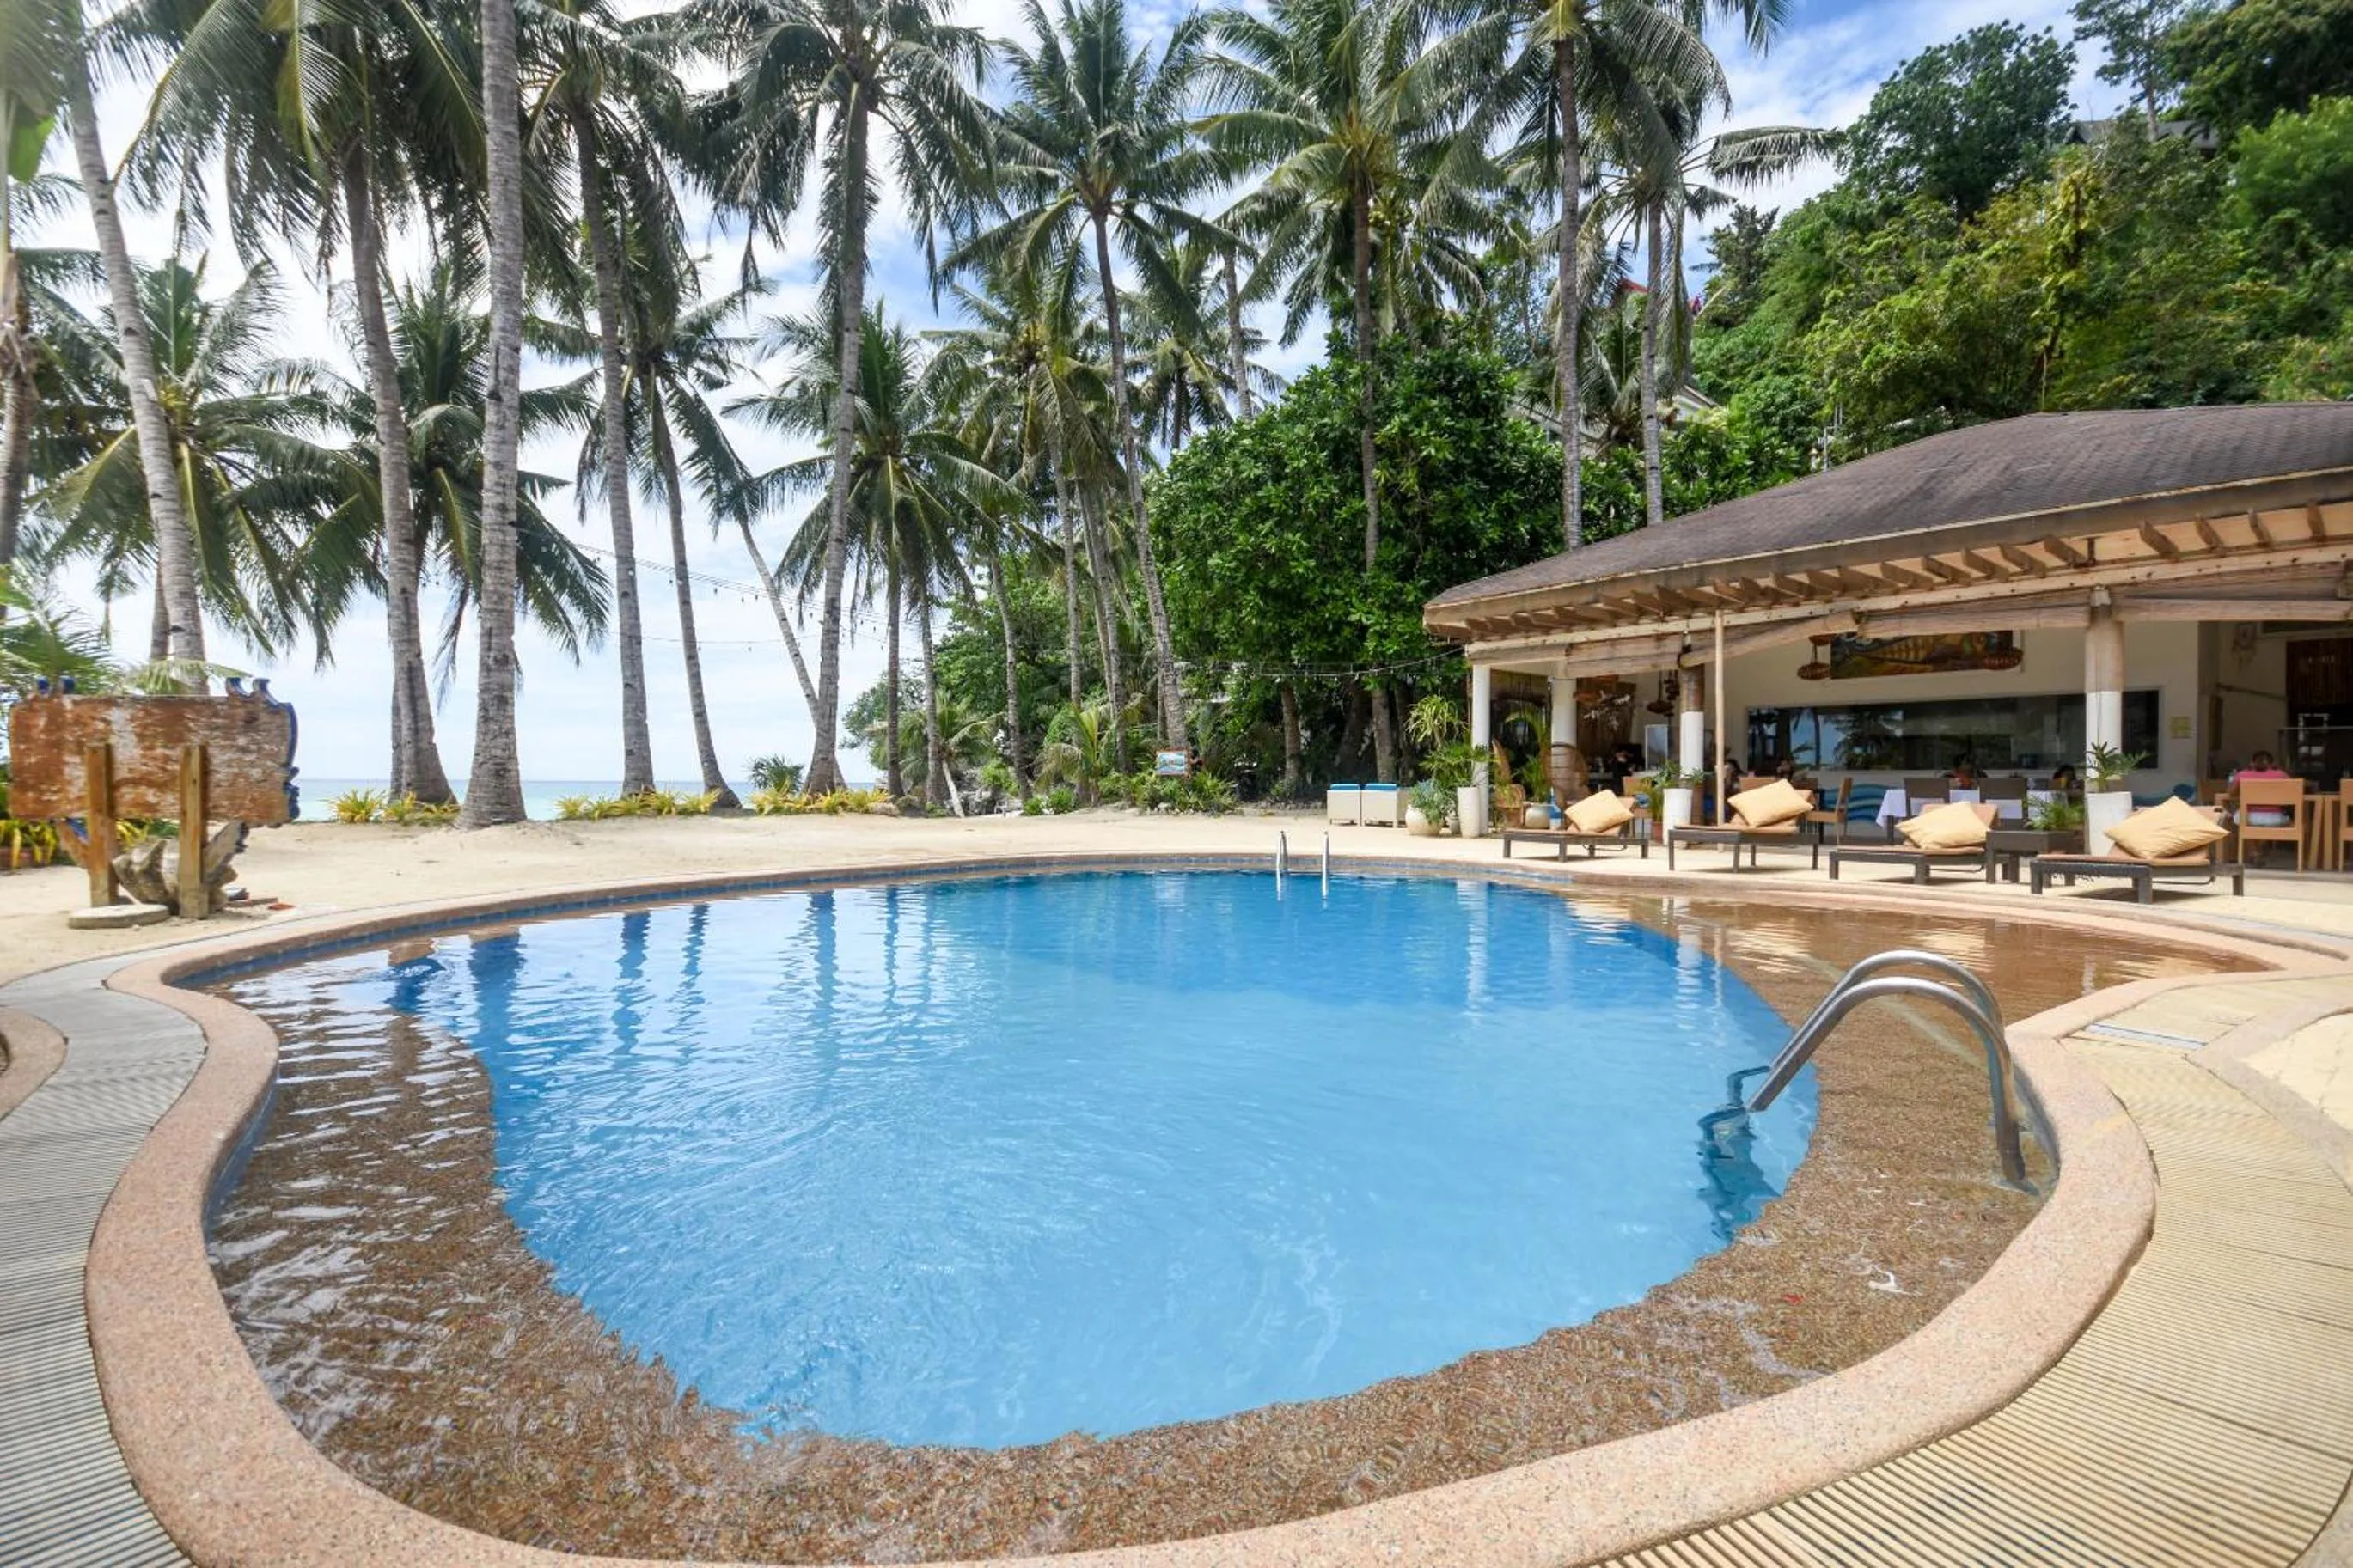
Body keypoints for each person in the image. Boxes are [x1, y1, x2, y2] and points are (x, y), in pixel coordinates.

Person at [2234, 750, 2294, 827]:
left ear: (2252, 763)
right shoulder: (2281, 775)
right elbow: (2294, 791)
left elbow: (2231, 793)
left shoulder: (2242, 775)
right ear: (2272, 764)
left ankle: (2249, 838)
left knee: (2233, 814)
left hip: (2248, 818)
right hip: (2275, 818)